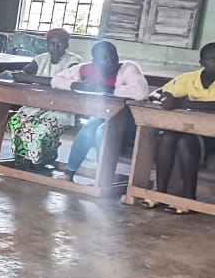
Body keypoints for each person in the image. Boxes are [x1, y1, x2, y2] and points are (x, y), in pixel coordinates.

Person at [52, 40, 149, 181]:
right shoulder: (87, 69)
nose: (110, 61)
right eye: (104, 58)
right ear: (94, 62)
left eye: (113, 56)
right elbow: (56, 80)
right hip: (107, 115)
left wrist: (111, 90)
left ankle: (102, 178)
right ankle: (69, 173)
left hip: (130, 121)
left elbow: (141, 92)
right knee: (89, 128)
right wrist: (75, 84)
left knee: (102, 131)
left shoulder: (128, 68)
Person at [145, 42, 215, 208]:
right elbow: (156, 93)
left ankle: (189, 199)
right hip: (188, 130)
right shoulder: (189, 79)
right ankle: (160, 193)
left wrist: (182, 104)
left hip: (211, 136)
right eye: (212, 59)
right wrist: (165, 99)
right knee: (166, 138)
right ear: (202, 63)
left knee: (186, 142)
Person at [6, 28, 83, 170]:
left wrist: (30, 78)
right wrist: (26, 76)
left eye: (60, 44)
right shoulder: (40, 59)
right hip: (37, 105)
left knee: (42, 128)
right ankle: (22, 159)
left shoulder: (74, 61)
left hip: (62, 107)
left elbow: (66, 82)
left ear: (66, 45)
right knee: (16, 122)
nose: (55, 48)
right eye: (52, 44)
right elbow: (21, 74)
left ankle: (43, 159)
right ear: (47, 45)